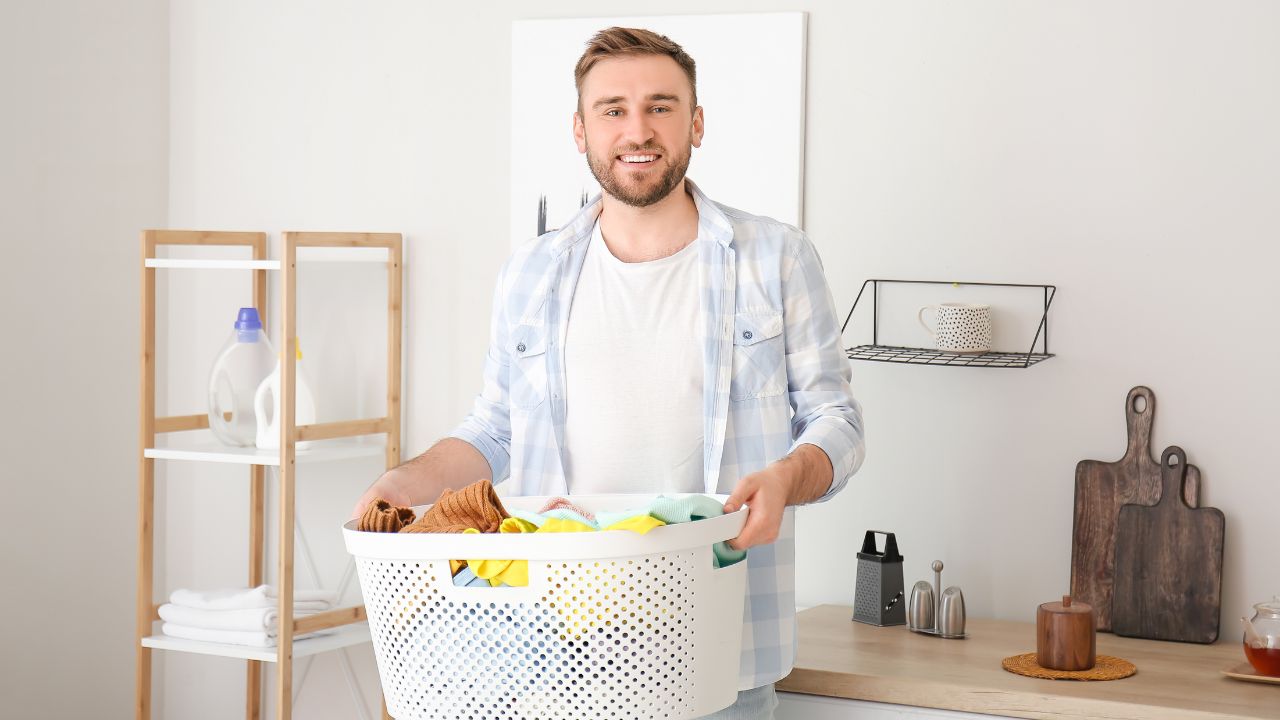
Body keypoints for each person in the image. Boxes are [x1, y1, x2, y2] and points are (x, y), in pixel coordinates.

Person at [353, 26, 864, 720]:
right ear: (580, 129)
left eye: (660, 106)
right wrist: (400, 481)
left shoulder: (774, 258)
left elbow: (838, 423)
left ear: (697, 123)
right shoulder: (529, 274)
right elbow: (493, 432)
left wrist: (783, 477)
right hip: (551, 649)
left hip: (718, 649)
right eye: (613, 110)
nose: (638, 130)